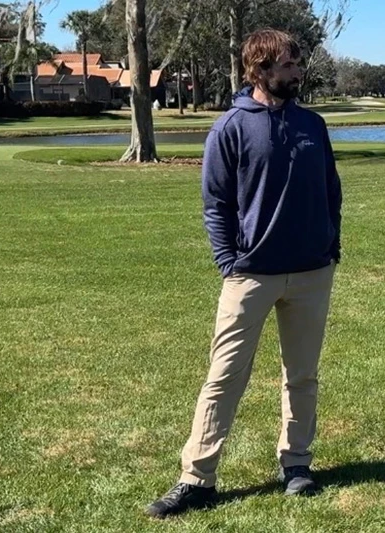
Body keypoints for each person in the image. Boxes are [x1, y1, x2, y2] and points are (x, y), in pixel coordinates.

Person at [146, 28, 342, 519]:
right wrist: (229, 263)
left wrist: (330, 243)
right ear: (261, 70)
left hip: (312, 272)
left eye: (299, 64)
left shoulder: (313, 124)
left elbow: (330, 189)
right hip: (250, 276)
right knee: (224, 377)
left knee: (301, 376)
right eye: (289, 65)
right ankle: (197, 478)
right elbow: (216, 204)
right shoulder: (230, 128)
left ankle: (296, 465)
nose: (298, 72)